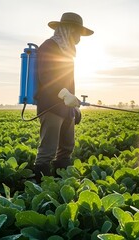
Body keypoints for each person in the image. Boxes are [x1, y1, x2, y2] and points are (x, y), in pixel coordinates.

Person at [34, 12, 94, 181]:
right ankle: (38, 188)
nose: (79, 39)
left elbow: (68, 81)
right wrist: (65, 94)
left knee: (66, 148)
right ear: (69, 30)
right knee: (47, 151)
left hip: (66, 108)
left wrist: (74, 105)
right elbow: (46, 76)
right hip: (51, 106)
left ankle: (62, 183)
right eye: (78, 33)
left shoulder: (67, 52)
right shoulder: (49, 46)